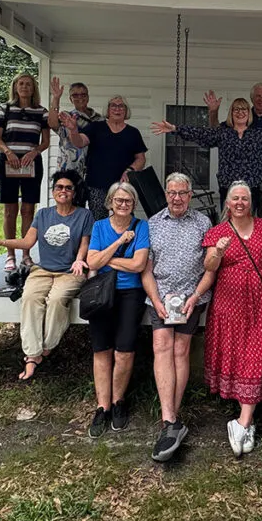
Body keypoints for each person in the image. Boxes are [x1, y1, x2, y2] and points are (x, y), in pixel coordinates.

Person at [0, 169, 92, 381]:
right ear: (53, 191)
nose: (63, 191)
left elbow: (85, 243)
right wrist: (0, 242)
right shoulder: (43, 214)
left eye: (68, 188)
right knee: (30, 298)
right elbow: (27, 242)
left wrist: (79, 260)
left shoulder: (84, 215)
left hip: (69, 271)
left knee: (56, 299)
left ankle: (47, 346)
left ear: (74, 192)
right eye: (59, 187)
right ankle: (32, 354)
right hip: (42, 270)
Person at [202, 181, 262, 457]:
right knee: (239, 355)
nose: (240, 202)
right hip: (228, 304)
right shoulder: (217, 232)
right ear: (227, 204)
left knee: (259, 353)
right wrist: (217, 250)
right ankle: (248, 421)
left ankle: (240, 423)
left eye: (244, 198)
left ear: (250, 202)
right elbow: (209, 266)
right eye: (235, 199)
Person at [142, 172, 215, 462]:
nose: (177, 198)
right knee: (161, 346)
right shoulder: (153, 223)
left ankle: (173, 413)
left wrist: (196, 296)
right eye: (172, 192)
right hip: (160, 297)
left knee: (181, 349)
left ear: (190, 194)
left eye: (183, 193)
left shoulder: (203, 223)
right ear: (166, 194)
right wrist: (157, 300)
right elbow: (146, 269)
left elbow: (210, 268)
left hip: (191, 298)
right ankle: (169, 419)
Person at [152, 98, 262, 214]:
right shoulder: (223, 132)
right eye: (236, 109)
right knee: (227, 223)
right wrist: (175, 128)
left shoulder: (259, 134)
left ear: (248, 113)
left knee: (248, 222)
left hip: (250, 188)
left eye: (244, 109)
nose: (240, 112)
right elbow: (200, 134)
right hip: (228, 188)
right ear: (231, 113)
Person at [86, 181, 150, 438]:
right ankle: (102, 406)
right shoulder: (100, 226)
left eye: (128, 201)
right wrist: (119, 243)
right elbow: (91, 261)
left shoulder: (141, 226)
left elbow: (139, 265)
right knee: (102, 349)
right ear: (110, 202)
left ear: (134, 204)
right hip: (102, 292)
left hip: (130, 293)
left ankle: (118, 401)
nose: (124, 205)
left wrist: (105, 259)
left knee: (124, 350)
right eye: (119, 200)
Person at [0, 72, 50, 271]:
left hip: (31, 163)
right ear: (15, 87)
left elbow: (46, 142)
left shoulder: (41, 111)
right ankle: (9, 255)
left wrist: (34, 152)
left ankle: (25, 254)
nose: (25, 87)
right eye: (21, 84)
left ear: (34, 89)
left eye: (29, 84)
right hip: (8, 163)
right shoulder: (4, 108)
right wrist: (8, 152)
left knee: (28, 210)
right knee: (10, 210)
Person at [206, 84, 262, 223]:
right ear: (252, 99)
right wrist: (213, 113)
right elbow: (216, 134)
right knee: (244, 217)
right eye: (258, 96)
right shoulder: (243, 117)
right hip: (246, 178)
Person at [60, 94, 147, 221]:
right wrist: (73, 130)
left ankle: (123, 242)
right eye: (113, 106)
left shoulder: (133, 133)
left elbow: (141, 158)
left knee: (124, 220)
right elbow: (79, 142)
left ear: (126, 110)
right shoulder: (96, 127)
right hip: (97, 185)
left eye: (121, 106)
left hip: (122, 186)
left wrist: (130, 170)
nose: (117, 109)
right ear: (107, 110)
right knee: (99, 221)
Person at [48, 79, 103, 181]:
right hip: (69, 171)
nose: (80, 98)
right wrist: (56, 98)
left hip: (94, 172)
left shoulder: (100, 119)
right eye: (75, 95)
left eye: (83, 94)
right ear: (70, 99)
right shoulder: (66, 117)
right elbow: (52, 123)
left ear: (88, 97)